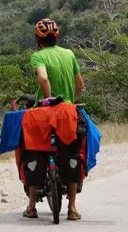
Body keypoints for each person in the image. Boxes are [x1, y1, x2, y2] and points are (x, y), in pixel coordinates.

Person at [22, 17, 85, 221]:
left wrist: (48, 99)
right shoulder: (69, 54)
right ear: (56, 37)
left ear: (37, 39)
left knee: (31, 149)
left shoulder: (38, 56)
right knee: (71, 152)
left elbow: (42, 78)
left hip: (45, 114)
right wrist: (70, 101)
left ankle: (32, 205)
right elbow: (80, 84)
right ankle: (73, 208)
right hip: (68, 112)